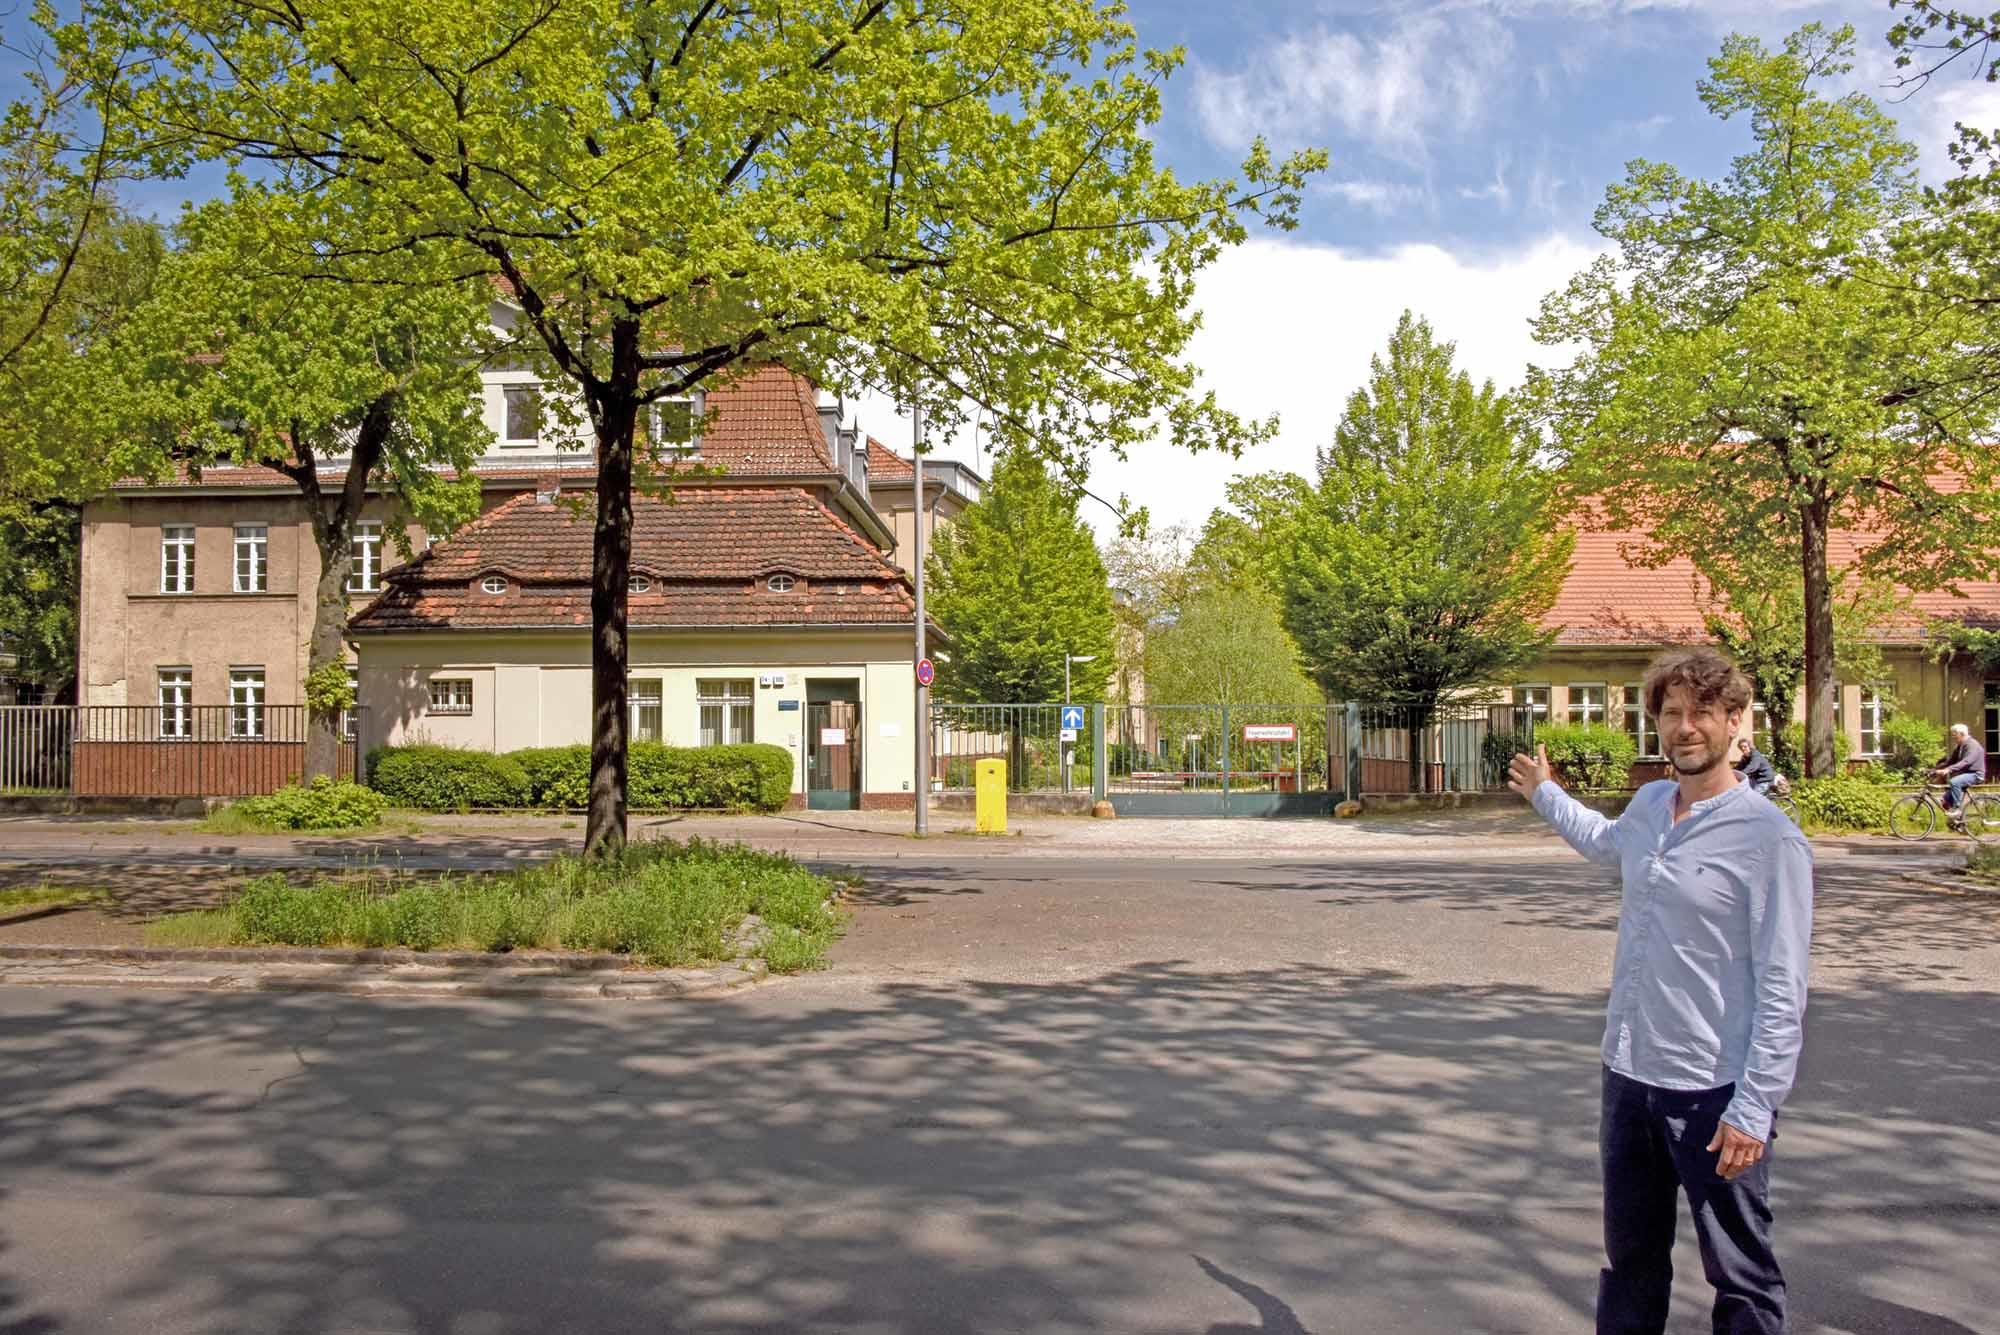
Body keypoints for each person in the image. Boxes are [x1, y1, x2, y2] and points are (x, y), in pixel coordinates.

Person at [1509, 648, 1813, 1335]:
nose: (1685, 726)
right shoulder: (1650, 804)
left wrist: (1755, 1105)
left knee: (1741, 1278)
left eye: (1702, 711)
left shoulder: (1770, 840)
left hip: (1713, 1094)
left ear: (1736, 722)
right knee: (1631, 1264)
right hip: (1629, 1079)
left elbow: (1782, 986)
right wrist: (1545, 794)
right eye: (1671, 712)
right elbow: (1605, 840)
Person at [1932, 723, 1988, 829]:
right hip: (1965, 775)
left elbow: (1966, 761)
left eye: (1954, 735)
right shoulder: (1960, 746)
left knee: (1954, 782)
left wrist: (1948, 770)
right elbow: (1950, 761)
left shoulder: (1972, 745)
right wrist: (1934, 770)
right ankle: (1959, 823)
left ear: (1962, 734)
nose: (1953, 737)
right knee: (1944, 801)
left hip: (1976, 774)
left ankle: (1958, 810)